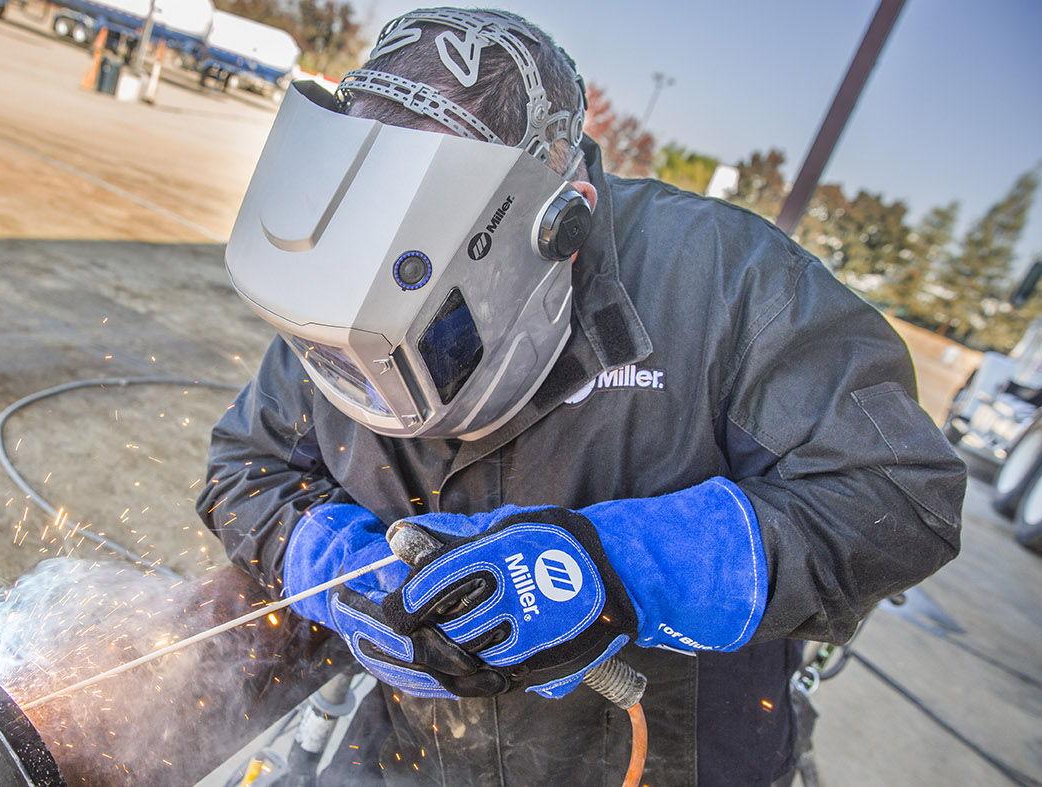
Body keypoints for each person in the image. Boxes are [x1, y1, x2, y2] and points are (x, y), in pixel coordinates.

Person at [197, 7, 966, 785]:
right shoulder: (349, 284)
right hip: (419, 753)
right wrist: (347, 571)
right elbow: (245, 468)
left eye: (438, 331)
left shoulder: (729, 283)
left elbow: (900, 494)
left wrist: (623, 568)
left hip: (667, 762)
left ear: (559, 222)